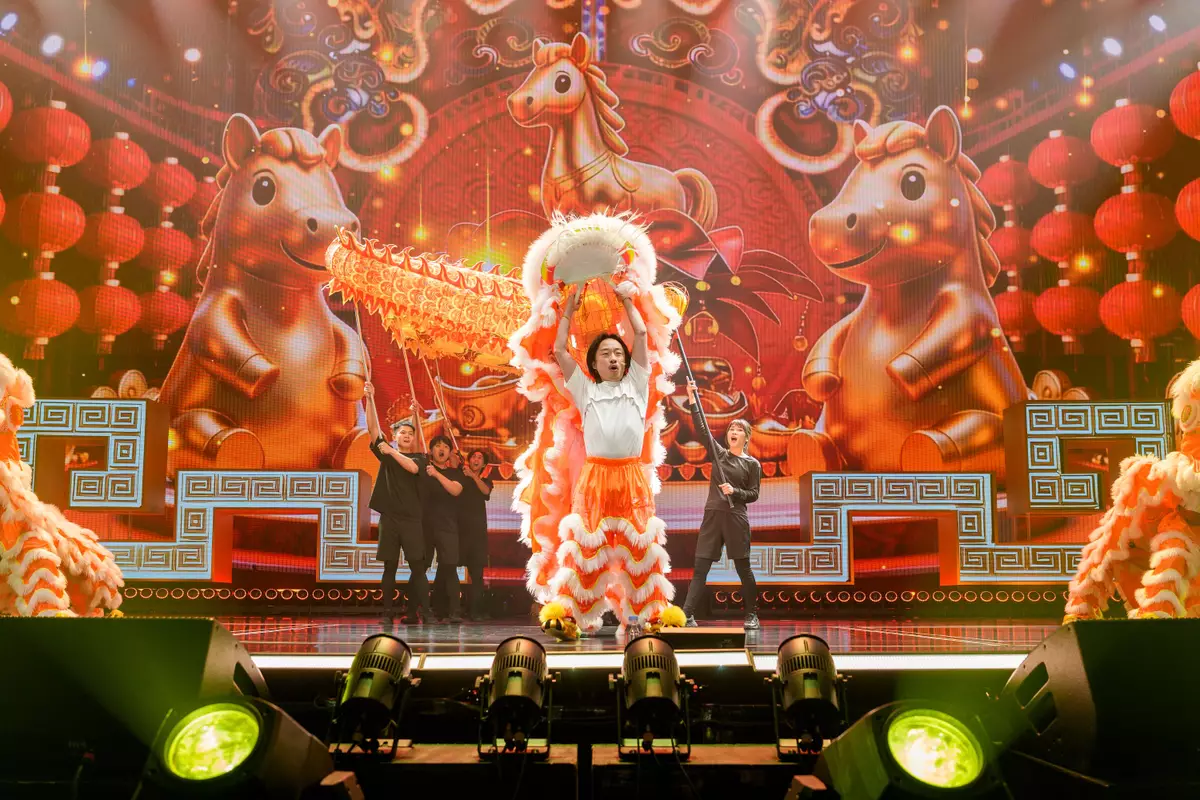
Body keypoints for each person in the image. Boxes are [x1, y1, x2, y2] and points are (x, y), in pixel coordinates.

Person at [548, 277, 674, 632]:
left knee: (642, 546)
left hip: (631, 475)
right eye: (606, 353)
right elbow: (560, 351)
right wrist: (568, 312)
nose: (614, 357)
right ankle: (569, 617)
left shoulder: (637, 383)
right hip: (595, 476)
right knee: (586, 547)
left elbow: (642, 335)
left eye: (618, 353)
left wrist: (626, 301)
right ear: (594, 363)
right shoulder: (585, 389)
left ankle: (652, 617)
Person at [679, 377, 763, 630]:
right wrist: (692, 398)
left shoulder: (752, 464)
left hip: (736, 517)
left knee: (743, 568)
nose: (733, 432)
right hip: (713, 515)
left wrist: (735, 491)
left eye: (738, 430)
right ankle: (687, 615)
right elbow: (702, 428)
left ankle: (752, 615)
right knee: (700, 567)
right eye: (730, 430)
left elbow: (754, 494)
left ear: (746, 437)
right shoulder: (719, 454)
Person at [363, 383, 429, 624]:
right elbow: (373, 428)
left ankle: (421, 612)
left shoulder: (419, 458)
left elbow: (411, 468)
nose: (407, 435)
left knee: (417, 567)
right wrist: (369, 398)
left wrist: (391, 451)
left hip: (412, 520)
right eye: (402, 433)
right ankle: (387, 611)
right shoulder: (386, 452)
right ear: (395, 437)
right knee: (389, 567)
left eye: (410, 433)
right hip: (390, 519)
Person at [423, 434, 465, 622]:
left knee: (449, 568)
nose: (441, 449)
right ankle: (421, 611)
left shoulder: (455, 473)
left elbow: (456, 490)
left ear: (449, 453)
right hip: (424, 527)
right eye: (438, 446)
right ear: (431, 451)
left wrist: (436, 474)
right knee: (420, 568)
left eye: (446, 447)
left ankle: (454, 611)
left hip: (448, 527)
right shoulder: (423, 471)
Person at [458, 448, 494, 620]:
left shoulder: (485, 481)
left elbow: (485, 492)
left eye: (480, 458)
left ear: (484, 464)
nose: (476, 459)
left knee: (477, 575)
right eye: (473, 457)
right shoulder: (460, 478)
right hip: (458, 531)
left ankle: (475, 611)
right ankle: (449, 610)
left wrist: (473, 476)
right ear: (469, 460)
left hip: (477, 534)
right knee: (449, 570)